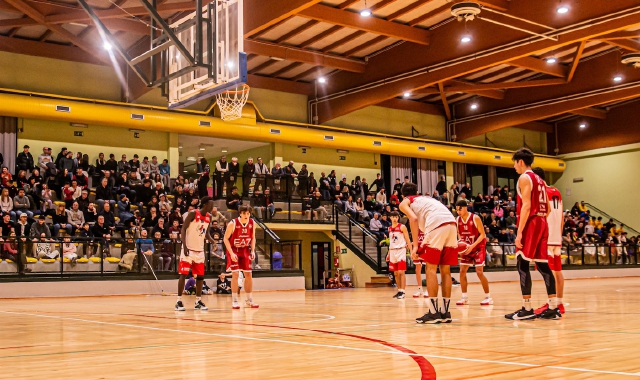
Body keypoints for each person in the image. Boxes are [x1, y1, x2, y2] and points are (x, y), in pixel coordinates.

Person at [505, 148, 560, 321]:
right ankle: (553, 307)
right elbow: (549, 208)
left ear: (520, 161)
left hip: (533, 221)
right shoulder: (541, 181)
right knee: (543, 266)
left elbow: (526, 206)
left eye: (514, 163)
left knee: (522, 263)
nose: (514, 167)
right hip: (543, 222)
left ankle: (527, 308)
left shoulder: (525, 177)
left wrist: (520, 233)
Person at [400, 182, 458, 324]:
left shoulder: (405, 202)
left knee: (430, 268)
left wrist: (415, 246)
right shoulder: (427, 199)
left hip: (437, 224)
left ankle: (433, 312)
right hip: (451, 223)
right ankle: (445, 312)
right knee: (445, 270)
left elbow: (413, 219)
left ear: (403, 195)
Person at [533, 167, 566, 316]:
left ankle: (552, 304)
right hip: (557, 237)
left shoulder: (540, 193)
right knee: (558, 272)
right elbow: (562, 217)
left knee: (549, 273)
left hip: (546, 237)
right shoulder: (556, 191)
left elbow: (541, 215)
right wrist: (558, 234)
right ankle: (559, 302)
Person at [175, 196, 216, 311]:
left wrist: (213, 242)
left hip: (199, 250)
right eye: (211, 205)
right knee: (183, 274)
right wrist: (185, 245)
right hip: (188, 249)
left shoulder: (209, 217)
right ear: (204, 205)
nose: (212, 207)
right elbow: (183, 230)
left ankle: (198, 301)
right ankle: (178, 301)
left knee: (200, 277)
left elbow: (206, 233)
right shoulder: (193, 214)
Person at [455, 200, 492, 306]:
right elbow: (459, 235)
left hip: (478, 247)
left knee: (479, 272)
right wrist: (460, 244)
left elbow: (482, 235)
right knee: (462, 271)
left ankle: (488, 297)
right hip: (467, 248)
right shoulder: (457, 220)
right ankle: (464, 297)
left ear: (465, 208)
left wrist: (472, 246)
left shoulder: (475, 218)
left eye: (460, 209)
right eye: (457, 210)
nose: (458, 211)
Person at [223, 205, 259, 309]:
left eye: (248, 213)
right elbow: (225, 239)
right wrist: (231, 253)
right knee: (235, 274)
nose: (246, 215)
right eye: (244, 213)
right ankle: (234, 300)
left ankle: (249, 299)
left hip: (244, 250)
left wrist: (252, 251)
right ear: (240, 213)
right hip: (234, 250)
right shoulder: (232, 223)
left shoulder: (252, 223)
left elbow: (253, 238)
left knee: (248, 275)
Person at [386, 211, 411, 300]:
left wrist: (411, 251)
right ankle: (399, 290)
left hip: (401, 250)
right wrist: (388, 253)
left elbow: (408, 239)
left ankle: (403, 291)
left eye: (396, 217)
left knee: (401, 272)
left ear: (398, 218)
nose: (395, 218)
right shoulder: (389, 228)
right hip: (392, 251)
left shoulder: (402, 227)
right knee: (396, 273)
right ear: (390, 218)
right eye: (393, 217)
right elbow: (391, 242)